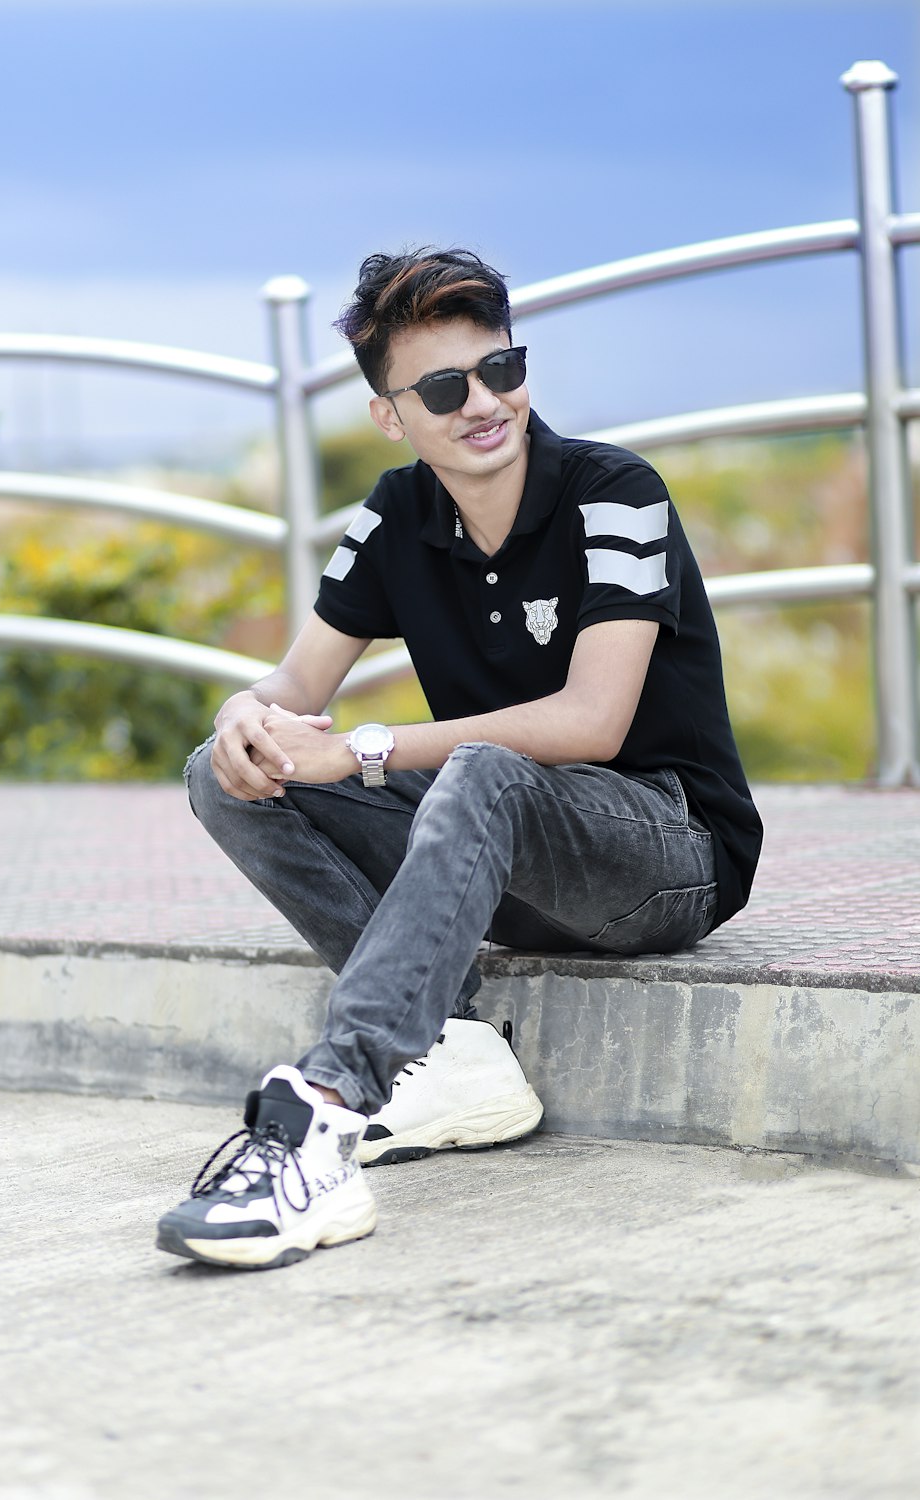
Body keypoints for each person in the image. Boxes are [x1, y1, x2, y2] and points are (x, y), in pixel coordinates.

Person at [156, 246, 763, 1271]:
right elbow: (290, 691)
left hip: (665, 853)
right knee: (221, 775)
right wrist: (239, 719)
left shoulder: (615, 491)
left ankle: (327, 1112)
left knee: (478, 769)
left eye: (502, 369)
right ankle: (453, 1052)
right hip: (498, 850)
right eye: (445, 386)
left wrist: (364, 750)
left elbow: (591, 724)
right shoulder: (394, 514)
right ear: (390, 414)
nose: (483, 402)